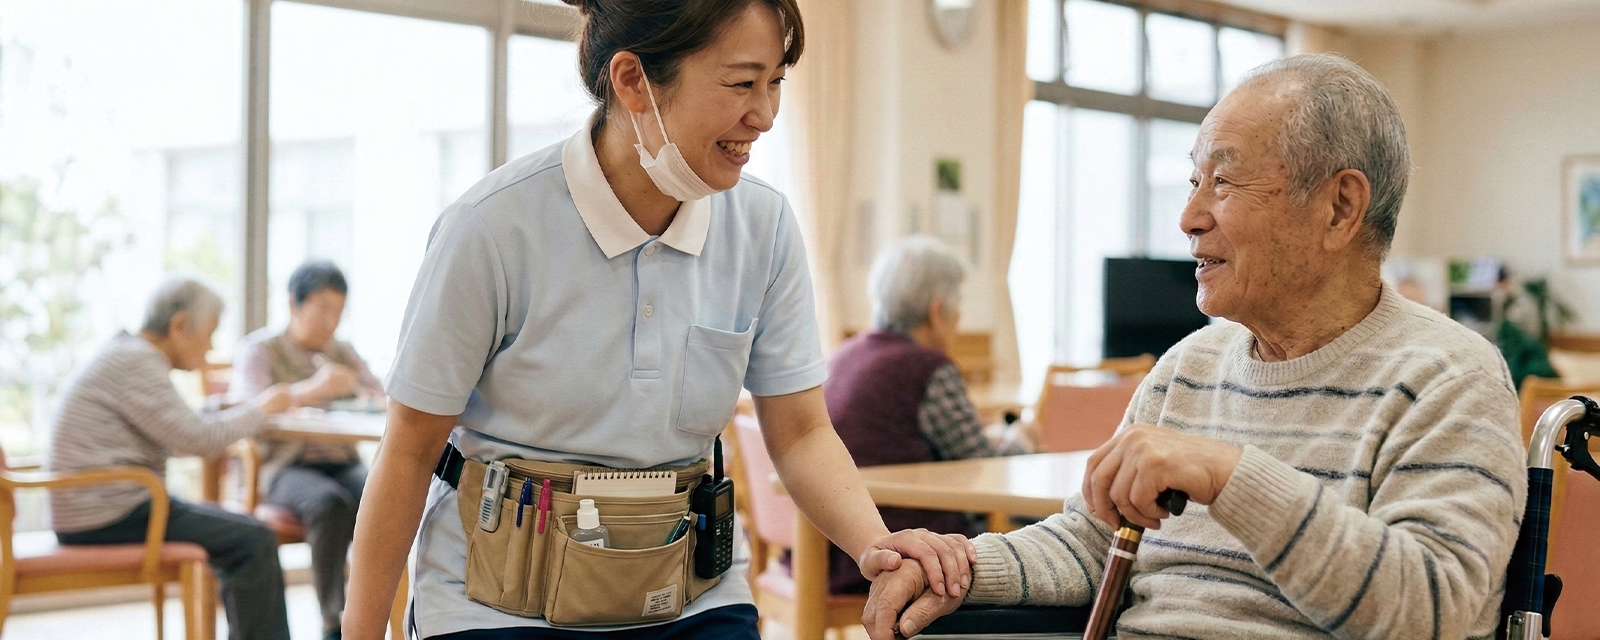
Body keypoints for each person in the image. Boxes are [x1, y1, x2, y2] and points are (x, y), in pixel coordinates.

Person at [340, 2, 973, 638]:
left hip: (687, 593)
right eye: (741, 82)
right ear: (634, 81)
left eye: (776, 81)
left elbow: (802, 432)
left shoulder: (763, 226)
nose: (766, 114)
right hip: (496, 598)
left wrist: (876, 546)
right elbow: (411, 448)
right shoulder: (492, 228)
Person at [863, 53, 1526, 640]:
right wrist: (961, 565)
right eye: (1193, 182)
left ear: (1339, 209)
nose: (1188, 218)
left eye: (1225, 182)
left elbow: (1430, 609)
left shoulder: (1451, 377)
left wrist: (1230, 474)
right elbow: (1095, 543)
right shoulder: (1190, 367)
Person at [47, 277, 296, 640]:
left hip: (98, 505)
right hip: (110, 511)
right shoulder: (136, 362)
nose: (210, 348)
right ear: (179, 325)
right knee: (253, 539)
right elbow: (199, 441)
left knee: (245, 535)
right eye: (209, 334)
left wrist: (224, 409)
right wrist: (261, 408)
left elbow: (178, 431)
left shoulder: (125, 354)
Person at [822, 237, 1036, 593]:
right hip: (900, 544)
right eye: (958, 308)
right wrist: (1022, 440)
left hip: (828, 546)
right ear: (938, 311)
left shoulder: (846, 354)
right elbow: (986, 466)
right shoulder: (925, 367)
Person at [231, 260, 384, 640]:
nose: (331, 322)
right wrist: (314, 388)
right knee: (328, 504)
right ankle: (335, 621)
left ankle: (382, 615)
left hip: (340, 460)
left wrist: (360, 391)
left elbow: (381, 397)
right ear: (293, 305)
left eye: (338, 312)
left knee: (384, 495)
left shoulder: (343, 352)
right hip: (284, 467)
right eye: (322, 309)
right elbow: (250, 409)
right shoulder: (260, 350)